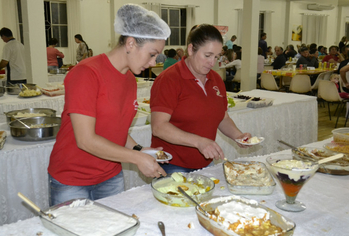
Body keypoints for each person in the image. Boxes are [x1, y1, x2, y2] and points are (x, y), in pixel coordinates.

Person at [48, 3, 171, 206]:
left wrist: (140, 150)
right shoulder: (87, 73)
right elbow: (85, 140)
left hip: (110, 176)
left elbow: (116, 130)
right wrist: (136, 158)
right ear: (130, 43)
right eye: (151, 54)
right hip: (73, 179)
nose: (153, 62)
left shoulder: (130, 79)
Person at [150, 24, 251, 174]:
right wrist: (199, 142)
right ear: (191, 49)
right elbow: (159, 127)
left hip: (204, 162)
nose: (212, 62)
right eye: (207, 55)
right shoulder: (169, 79)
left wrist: (238, 136)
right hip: (172, 163)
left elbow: (222, 117)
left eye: (216, 57)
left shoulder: (216, 79)